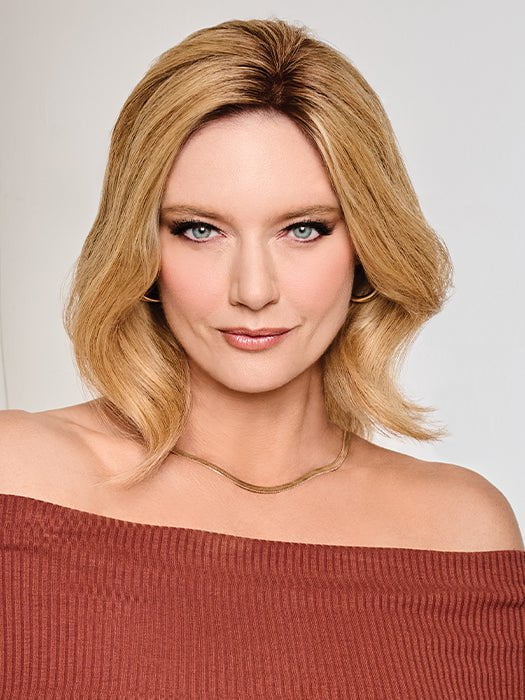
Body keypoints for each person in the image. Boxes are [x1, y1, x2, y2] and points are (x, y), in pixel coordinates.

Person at [1, 17, 523, 699]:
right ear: (141, 248)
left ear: (366, 246)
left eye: (303, 229)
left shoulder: (462, 533)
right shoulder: (19, 479)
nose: (253, 291)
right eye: (199, 229)